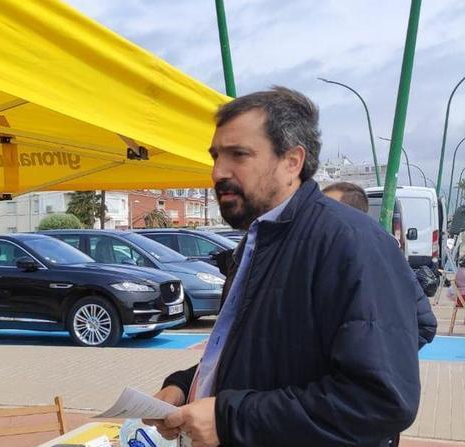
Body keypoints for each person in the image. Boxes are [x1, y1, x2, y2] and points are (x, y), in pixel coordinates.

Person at [147, 87, 420, 446]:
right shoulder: (257, 241)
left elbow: (381, 401)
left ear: (292, 161)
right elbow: (258, 356)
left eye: (238, 155)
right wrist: (186, 385)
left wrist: (230, 419)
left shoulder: (350, 243)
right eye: (215, 156)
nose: (217, 172)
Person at [322, 181, 437, 348]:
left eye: (326, 209)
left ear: (349, 214)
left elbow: (425, 324)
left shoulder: (379, 258)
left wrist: (383, 359)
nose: (317, 215)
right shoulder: (324, 256)